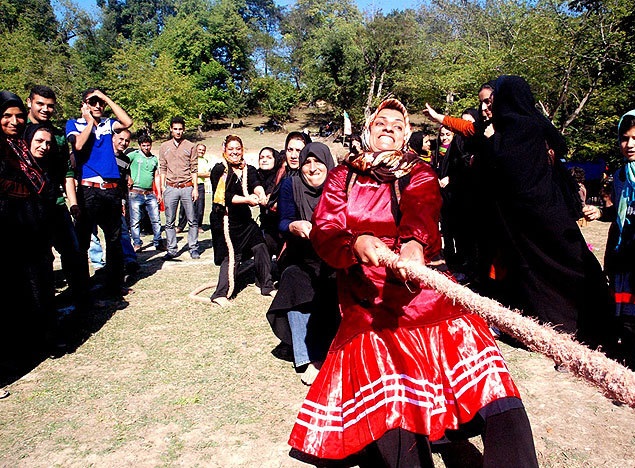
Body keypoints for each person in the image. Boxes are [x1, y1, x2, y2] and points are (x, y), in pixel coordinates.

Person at [287, 98, 538, 467]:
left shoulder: (418, 171)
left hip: (427, 295)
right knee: (394, 412)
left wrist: (413, 244)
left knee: (496, 396)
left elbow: (422, 204)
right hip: (368, 304)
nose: (388, 126)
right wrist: (354, 243)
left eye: (397, 124)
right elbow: (326, 229)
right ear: (367, 132)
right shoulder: (343, 175)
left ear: (406, 135)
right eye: (380, 122)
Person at [424, 76, 610, 346]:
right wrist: (444, 119)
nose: (490, 106)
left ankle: (574, 327)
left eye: (494, 99)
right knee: (544, 273)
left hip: (537, 219)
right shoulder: (523, 125)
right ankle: (557, 326)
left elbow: (509, 167)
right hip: (539, 218)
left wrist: (490, 143)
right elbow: (471, 131)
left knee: (554, 272)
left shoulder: (518, 129)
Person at [266, 142, 339, 386]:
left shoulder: (339, 186)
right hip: (303, 255)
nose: (312, 167)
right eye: (307, 162)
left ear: (328, 163)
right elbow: (283, 220)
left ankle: (335, 351)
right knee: (293, 280)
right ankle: (309, 356)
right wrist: (293, 226)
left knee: (333, 287)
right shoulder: (291, 184)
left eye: (318, 161)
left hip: (336, 256)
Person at [0, 92, 54, 362]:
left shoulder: (22, 148)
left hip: (32, 229)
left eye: (19, 116)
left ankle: (37, 341)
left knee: (36, 285)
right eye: (7, 116)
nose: (14, 121)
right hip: (7, 232)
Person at [25, 85, 88, 311]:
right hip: (26, 208)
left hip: (56, 205)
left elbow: (66, 173)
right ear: (29, 102)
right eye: (40, 104)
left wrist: (73, 204)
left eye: (50, 106)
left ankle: (80, 303)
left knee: (73, 253)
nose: (45, 109)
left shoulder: (59, 136)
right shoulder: (17, 130)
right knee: (39, 261)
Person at [66, 88, 133, 298]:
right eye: (92, 102)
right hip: (89, 190)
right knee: (83, 241)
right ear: (84, 104)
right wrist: (88, 122)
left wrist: (106, 98)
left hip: (111, 191)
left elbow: (128, 122)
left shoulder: (108, 124)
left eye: (100, 103)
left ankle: (113, 286)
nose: (97, 106)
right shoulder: (73, 123)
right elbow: (77, 144)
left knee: (114, 241)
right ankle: (82, 288)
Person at [585, 110, 635, 367]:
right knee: (624, 311)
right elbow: (618, 212)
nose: (630, 145)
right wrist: (601, 212)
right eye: (625, 138)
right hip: (622, 253)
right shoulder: (620, 175)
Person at [209, 135, 275, 307]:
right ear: (224, 150)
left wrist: (260, 194)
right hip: (227, 221)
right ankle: (220, 294)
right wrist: (247, 200)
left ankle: (266, 285)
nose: (234, 152)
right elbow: (224, 196)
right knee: (232, 256)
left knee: (260, 246)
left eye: (238, 148)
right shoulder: (219, 170)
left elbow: (255, 183)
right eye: (231, 149)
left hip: (245, 220)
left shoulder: (249, 168)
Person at [159, 116, 199, 260]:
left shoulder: (191, 146)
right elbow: (162, 167)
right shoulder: (164, 146)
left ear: (184, 130)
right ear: (171, 129)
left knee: (192, 219)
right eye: (175, 129)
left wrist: (194, 188)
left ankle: (193, 247)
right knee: (169, 221)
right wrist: (163, 187)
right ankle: (172, 249)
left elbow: (194, 168)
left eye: (180, 129)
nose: (178, 132)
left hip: (187, 186)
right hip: (170, 187)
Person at [127, 133, 165, 251]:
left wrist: (158, 192)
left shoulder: (154, 159)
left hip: (149, 193)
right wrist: (128, 177)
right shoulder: (133, 155)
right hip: (135, 192)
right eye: (144, 146)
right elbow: (123, 166)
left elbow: (156, 176)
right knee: (135, 220)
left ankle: (158, 241)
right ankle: (137, 243)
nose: (146, 148)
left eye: (148, 145)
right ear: (139, 146)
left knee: (156, 219)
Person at [256, 146, 285, 261]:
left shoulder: (282, 177)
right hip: (266, 224)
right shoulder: (256, 176)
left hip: (281, 225)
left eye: (269, 157)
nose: (264, 160)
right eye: (261, 157)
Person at [178, 143, 210, 233]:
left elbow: (208, 174)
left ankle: (198, 226)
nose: (201, 152)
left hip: (200, 185)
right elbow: (187, 172)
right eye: (199, 149)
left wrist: (195, 173)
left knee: (200, 207)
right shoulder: (190, 160)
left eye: (203, 150)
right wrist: (197, 173)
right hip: (189, 185)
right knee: (184, 207)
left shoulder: (205, 161)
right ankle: (181, 226)